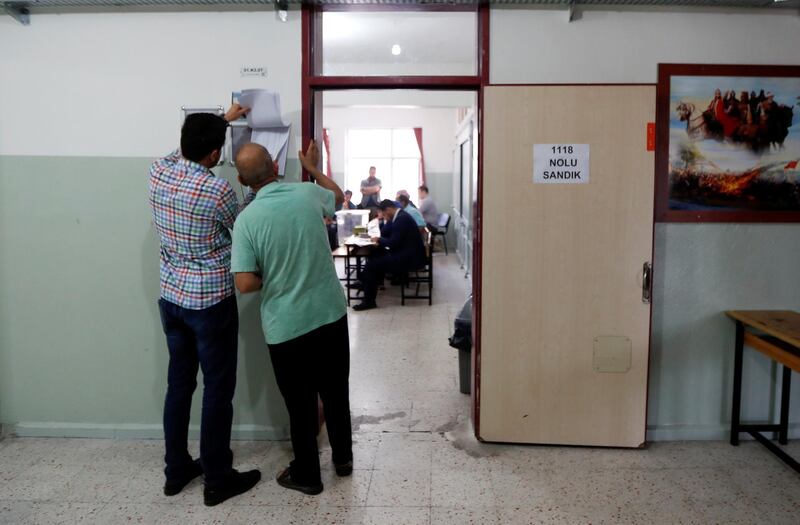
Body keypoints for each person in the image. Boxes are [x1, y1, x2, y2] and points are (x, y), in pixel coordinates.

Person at [148, 107, 261, 507]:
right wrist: (250, 189)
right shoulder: (217, 191)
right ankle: (217, 478)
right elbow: (243, 227)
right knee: (217, 389)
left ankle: (176, 469)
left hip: (172, 297)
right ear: (215, 155)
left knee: (179, 386)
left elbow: (174, 152)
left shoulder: (158, 172)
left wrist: (222, 118)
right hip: (210, 302)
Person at [231, 140, 353, 496]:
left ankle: (308, 475)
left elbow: (244, 283)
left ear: (241, 179)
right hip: (330, 314)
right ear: (275, 166)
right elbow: (339, 197)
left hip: (287, 327)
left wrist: (276, 273)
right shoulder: (306, 194)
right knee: (335, 393)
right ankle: (343, 461)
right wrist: (312, 168)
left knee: (299, 404)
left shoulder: (247, 220)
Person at [353, 199, 425, 311]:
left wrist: (379, 240)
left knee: (372, 265)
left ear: (388, 210)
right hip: (405, 252)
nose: (384, 217)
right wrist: (380, 235)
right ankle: (365, 281)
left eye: (384, 214)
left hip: (409, 258)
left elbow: (392, 243)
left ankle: (368, 299)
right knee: (376, 253)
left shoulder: (401, 219)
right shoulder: (399, 216)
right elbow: (387, 233)